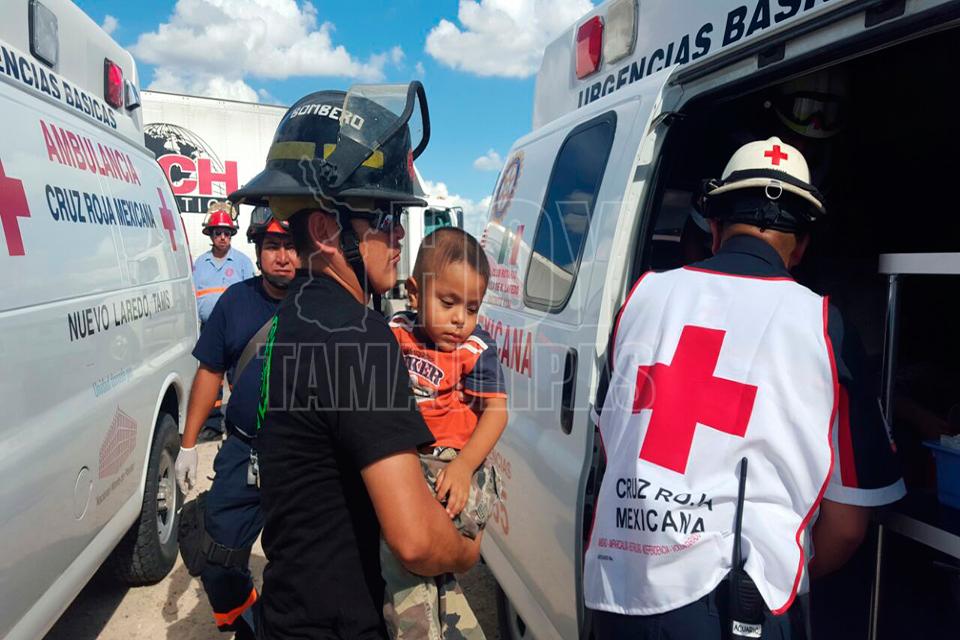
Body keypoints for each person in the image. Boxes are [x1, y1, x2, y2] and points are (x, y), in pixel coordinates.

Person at [584, 137, 905, 639]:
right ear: (801, 245)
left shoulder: (642, 297)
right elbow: (846, 528)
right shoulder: (823, 326)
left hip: (615, 591)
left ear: (714, 228)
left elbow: (614, 437)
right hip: (735, 610)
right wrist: (780, 578)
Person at [228, 84, 481, 639]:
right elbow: (415, 540)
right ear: (326, 231)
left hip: (289, 614)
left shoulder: (292, 318)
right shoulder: (357, 336)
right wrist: (466, 552)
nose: (399, 233)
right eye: (384, 215)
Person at [174, 209, 298, 639]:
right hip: (245, 451)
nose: (283, 257)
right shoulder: (235, 301)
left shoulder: (320, 304)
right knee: (216, 557)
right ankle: (247, 625)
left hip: (305, 458)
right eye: (272, 246)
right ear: (258, 252)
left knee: (305, 564)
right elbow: (210, 371)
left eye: (292, 246)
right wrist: (188, 445)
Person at [383, 227, 508, 639]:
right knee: (425, 574)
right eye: (448, 302)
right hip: (411, 461)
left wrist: (465, 466)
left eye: (472, 308)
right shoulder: (396, 332)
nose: (459, 320)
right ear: (414, 294)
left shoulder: (476, 348)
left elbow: (496, 412)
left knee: (405, 560)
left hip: (454, 465)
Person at [194, 201, 255, 326]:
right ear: (211, 236)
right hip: (207, 328)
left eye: (226, 233)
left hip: (236, 327)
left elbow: (252, 299)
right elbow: (192, 298)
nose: (223, 237)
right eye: (218, 233)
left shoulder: (243, 262)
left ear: (230, 236)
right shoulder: (200, 263)